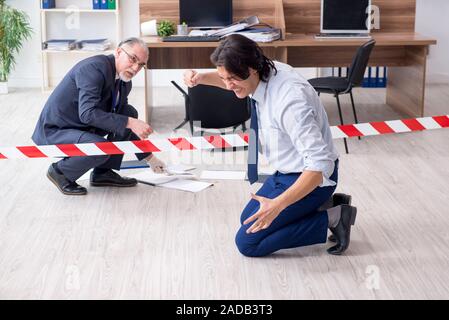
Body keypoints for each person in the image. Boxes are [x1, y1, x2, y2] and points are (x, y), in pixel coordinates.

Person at [184, 34, 357, 256]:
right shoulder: (265, 70)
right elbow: (231, 80)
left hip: (312, 178)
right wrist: (200, 77)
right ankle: (324, 206)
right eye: (223, 77)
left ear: (251, 69)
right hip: (286, 172)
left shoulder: (290, 102)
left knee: (248, 243)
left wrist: (279, 205)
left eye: (232, 78)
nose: (228, 85)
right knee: (248, 219)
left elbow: (319, 166)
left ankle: (334, 216)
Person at [32, 37, 166, 196]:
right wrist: (130, 122)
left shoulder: (124, 81)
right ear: (118, 52)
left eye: (141, 64)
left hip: (82, 127)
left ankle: (103, 173)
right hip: (57, 131)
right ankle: (61, 172)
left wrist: (149, 158)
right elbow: (87, 114)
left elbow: (123, 119)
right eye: (133, 59)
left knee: (128, 113)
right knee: (104, 145)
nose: (136, 67)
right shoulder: (93, 69)